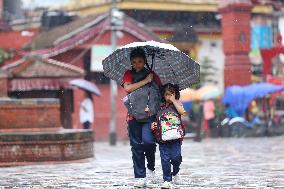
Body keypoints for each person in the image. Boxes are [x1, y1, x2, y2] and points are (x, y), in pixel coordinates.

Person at [122, 47, 162, 187]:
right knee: (136, 146)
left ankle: (150, 167)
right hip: (133, 116)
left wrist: (152, 80)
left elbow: (160, 93)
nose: (137, 64)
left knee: (148, 142)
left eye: (140, 61)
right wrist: (145, 81)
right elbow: (127, 88)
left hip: (149, 116)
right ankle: (140, 176)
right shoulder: (128, 74)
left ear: (145, 61)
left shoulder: (152, 74)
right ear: (131, 63)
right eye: (134, 62)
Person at [151, 83, 186, 189]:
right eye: (167, 95)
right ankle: (167, 179)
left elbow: (182, 112)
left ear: (176, 94)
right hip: (163, 138)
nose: (169, 97)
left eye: (172, 94)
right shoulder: (159, 107)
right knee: (165, 159)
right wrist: (153, 124)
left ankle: (175, 172)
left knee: (176, 157)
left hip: (175, 138)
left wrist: (174, 101)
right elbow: (155, 119)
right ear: (163, 95)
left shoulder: (177, 104)